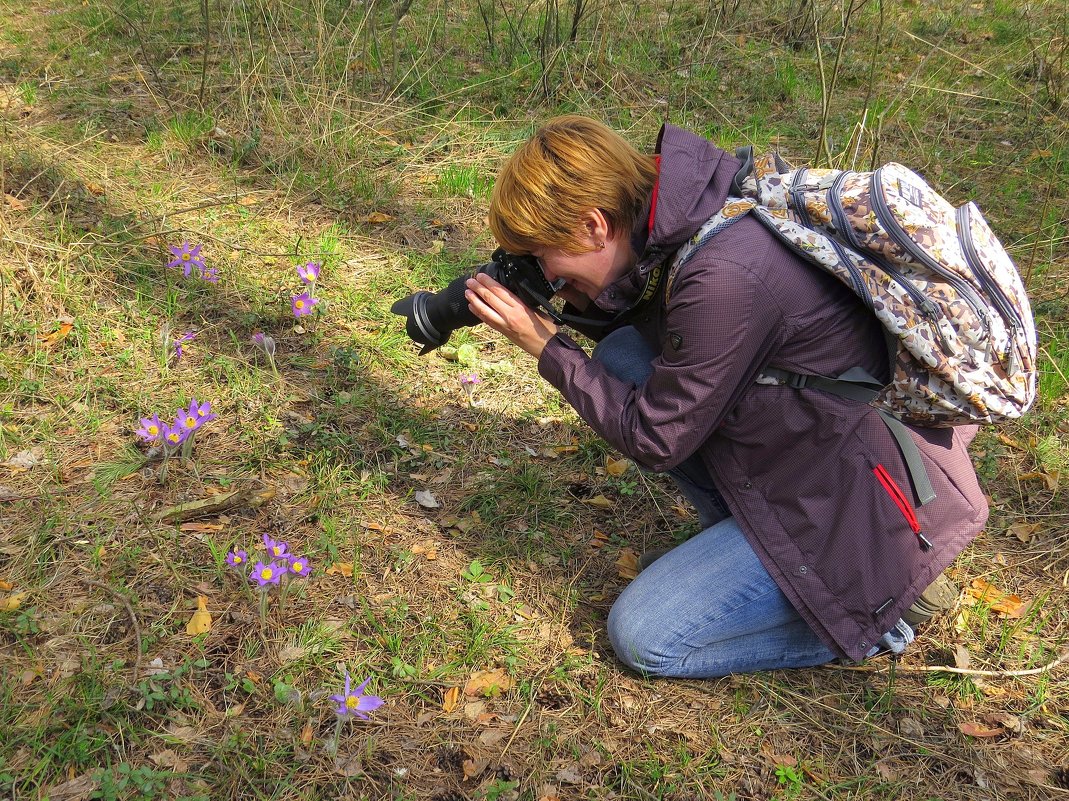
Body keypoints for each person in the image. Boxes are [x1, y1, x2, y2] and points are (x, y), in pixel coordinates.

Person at [463, 115, 988, 677]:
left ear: (595, 225)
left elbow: (655, 437)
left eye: (546, 258)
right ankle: (757, 560)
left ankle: (874, 616)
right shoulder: (688, 208)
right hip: (807, 452)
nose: (548, 278)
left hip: (864, 507)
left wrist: (546, 345)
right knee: (621, 356)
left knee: (644, 636)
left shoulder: (726, 274)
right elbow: (651, 335)